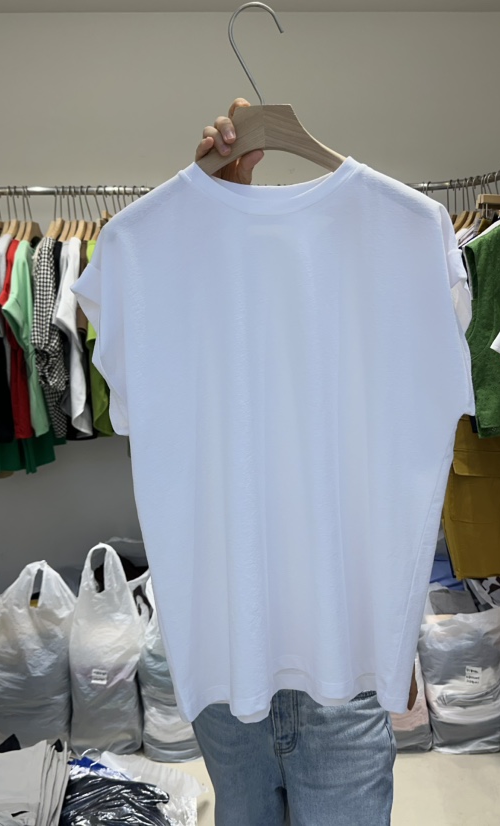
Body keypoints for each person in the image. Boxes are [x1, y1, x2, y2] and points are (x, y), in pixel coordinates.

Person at [188, 98, 399, 826]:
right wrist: (208, 207)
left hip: (343, 658)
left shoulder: (404, 238)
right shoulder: (162, 248)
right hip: (224, 658)